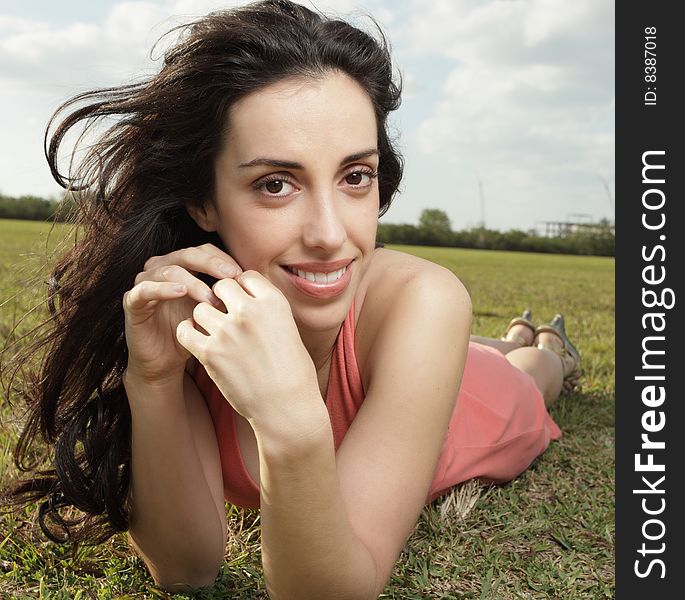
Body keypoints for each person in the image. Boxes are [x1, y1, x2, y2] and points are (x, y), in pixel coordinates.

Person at [1, 0, 581, 596]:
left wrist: (294, 425)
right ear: (203, 201)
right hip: (408, 356)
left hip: (474, 404)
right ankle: (505, 342)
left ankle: (545, 346)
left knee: (531, 375)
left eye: (355, 176)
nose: (331, 235)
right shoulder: (192, 324)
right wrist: (153, 381)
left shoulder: (425, 298)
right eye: (275, 185)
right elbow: (185, 569)